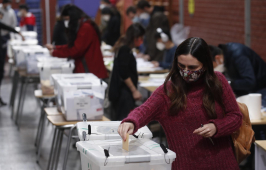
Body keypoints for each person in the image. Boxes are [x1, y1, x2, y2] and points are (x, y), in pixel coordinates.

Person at [118, 37, 243, 169]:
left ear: (205, 65)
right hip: (186, 165)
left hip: (223, 163)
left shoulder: (218, 82)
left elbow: (235, 117)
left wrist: (217, 127)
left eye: (192, 67)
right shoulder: (167, 92)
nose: (186, 71)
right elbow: (144, 110)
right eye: (181, 66)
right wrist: (131, 121)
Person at [46, 5, 108, 79]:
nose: (66, 22)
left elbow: (76, 51)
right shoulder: (81, 26)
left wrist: (55, 53)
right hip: (85, 69)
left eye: (67, 19)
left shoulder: (86, 28)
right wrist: (55, 47)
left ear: (73, 17)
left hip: (91, 72)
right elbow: (73, 45)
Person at [108, 23, 145, 120]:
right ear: (135, 37)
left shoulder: (125, 48)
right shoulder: (124, 49)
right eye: (141, 37)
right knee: (123, 120)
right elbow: (123, 73)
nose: (142, 40)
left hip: (122, 92)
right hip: (123, 93)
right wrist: (134, 91)